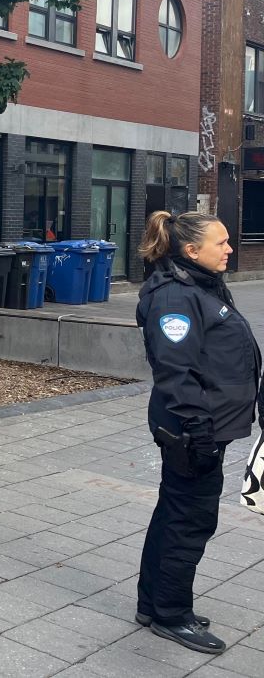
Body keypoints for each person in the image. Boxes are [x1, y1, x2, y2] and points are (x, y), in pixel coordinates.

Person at [135, 210, 261, 654]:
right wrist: (197, 430)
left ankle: (154, 604)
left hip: (203, 425)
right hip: (192, 430)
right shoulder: (175, 296)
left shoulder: (200, 284)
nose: (230, 248)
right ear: (191, 251)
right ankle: (172, 614)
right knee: (190, 521)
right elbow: (175, 371)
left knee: (174, 513)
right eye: (222, 242)